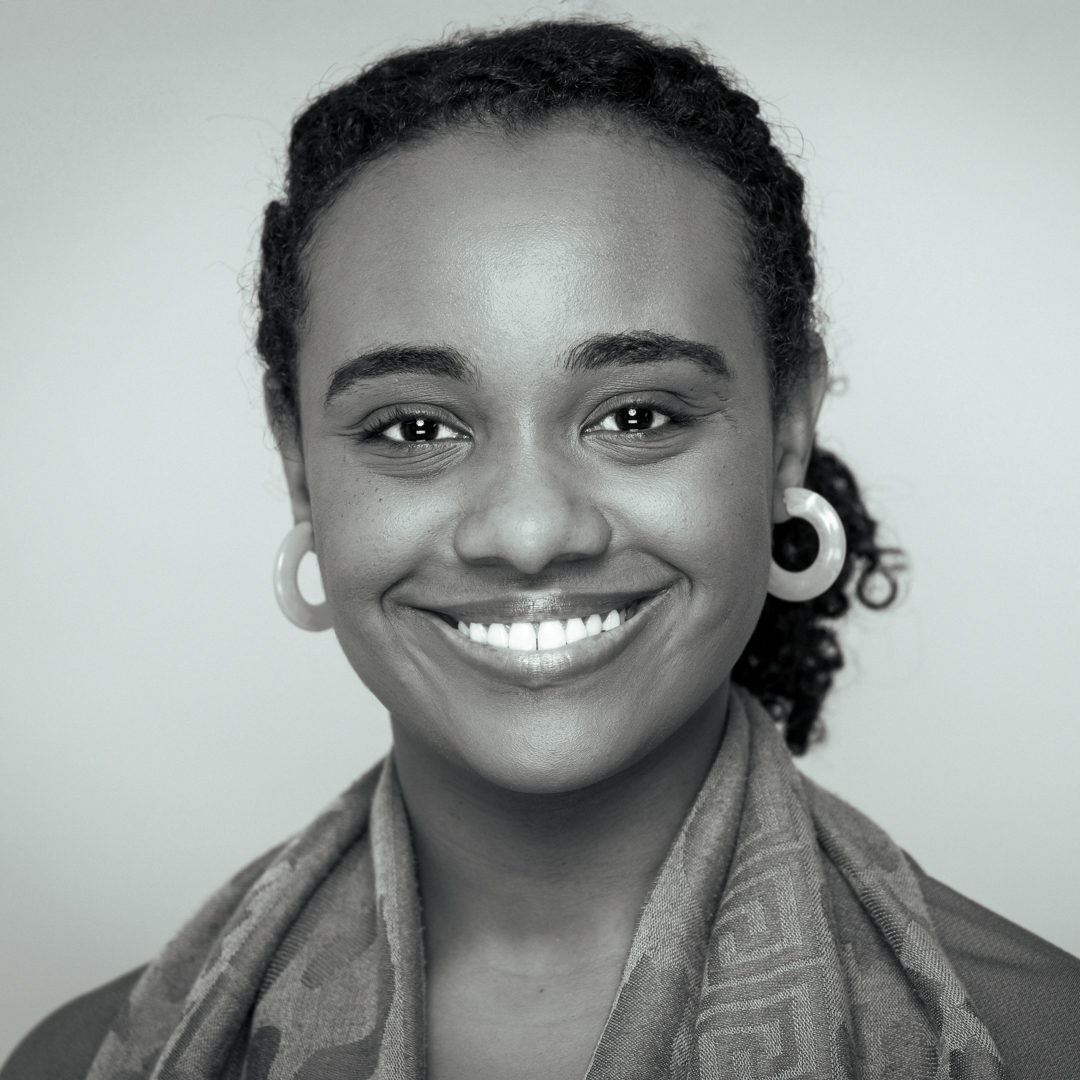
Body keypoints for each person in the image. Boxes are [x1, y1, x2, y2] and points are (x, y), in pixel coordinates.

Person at [4, 18, 1078, 1080]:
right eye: (413, 428)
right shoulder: (81, 1063)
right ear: (298, 461)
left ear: (787, 426)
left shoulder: (1036, 1045)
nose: (528, 533)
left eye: (637, 416)